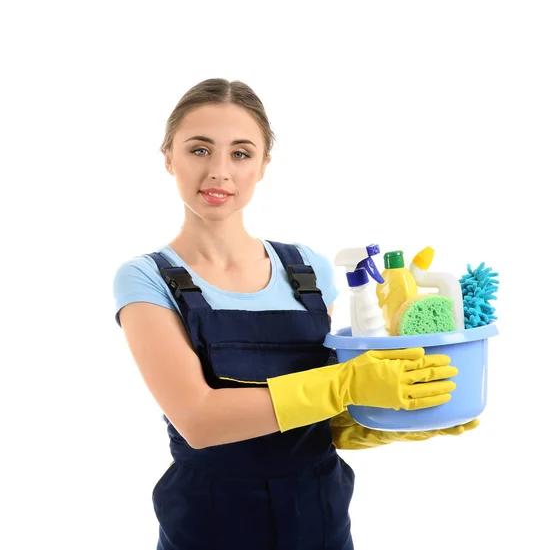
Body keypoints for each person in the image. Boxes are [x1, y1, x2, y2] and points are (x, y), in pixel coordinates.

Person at [112, 78, 478, 550]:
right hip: (210, 525)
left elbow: (321, 422)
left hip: (320, 519)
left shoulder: (308, 270)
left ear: (263, 165)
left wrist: (403, 417)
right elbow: (198, 419)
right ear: (169, 157)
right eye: (200, 150)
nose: (220, 171)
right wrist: (347, 383)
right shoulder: (147, 278)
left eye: (241, 154)